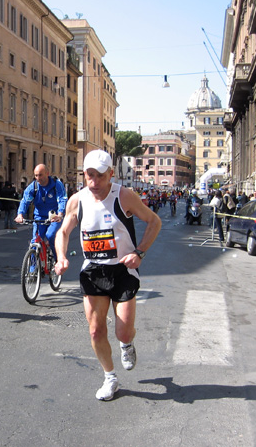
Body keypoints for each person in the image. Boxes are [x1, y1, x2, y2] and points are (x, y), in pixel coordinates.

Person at [54, 150, 161, 401]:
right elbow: (63, 231)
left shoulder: (124, 196)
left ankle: (127, 344)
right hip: (93, 270)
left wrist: (140, 253)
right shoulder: (77, 200)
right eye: (89, 175)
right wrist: (61, 257)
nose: (94, 182)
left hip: (123, 269)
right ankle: (110, 378)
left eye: (100, 176)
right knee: (95, 331)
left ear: (111, 174)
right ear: (84, 175)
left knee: (123, 331)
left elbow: (154, 221)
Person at [15, 164, 67, 257]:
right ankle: (32, 269)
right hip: (39, 217)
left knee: (50, 236)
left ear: (47, 173)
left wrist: (60, 214)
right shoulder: (33, 187)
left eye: (40, 175)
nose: (38, 178)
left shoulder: (56, 184)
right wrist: (20, 214)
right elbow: (25, 201)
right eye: (36, 175)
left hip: (54, 217)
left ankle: (58, 260)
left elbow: (62, 199)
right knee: (35, 242)